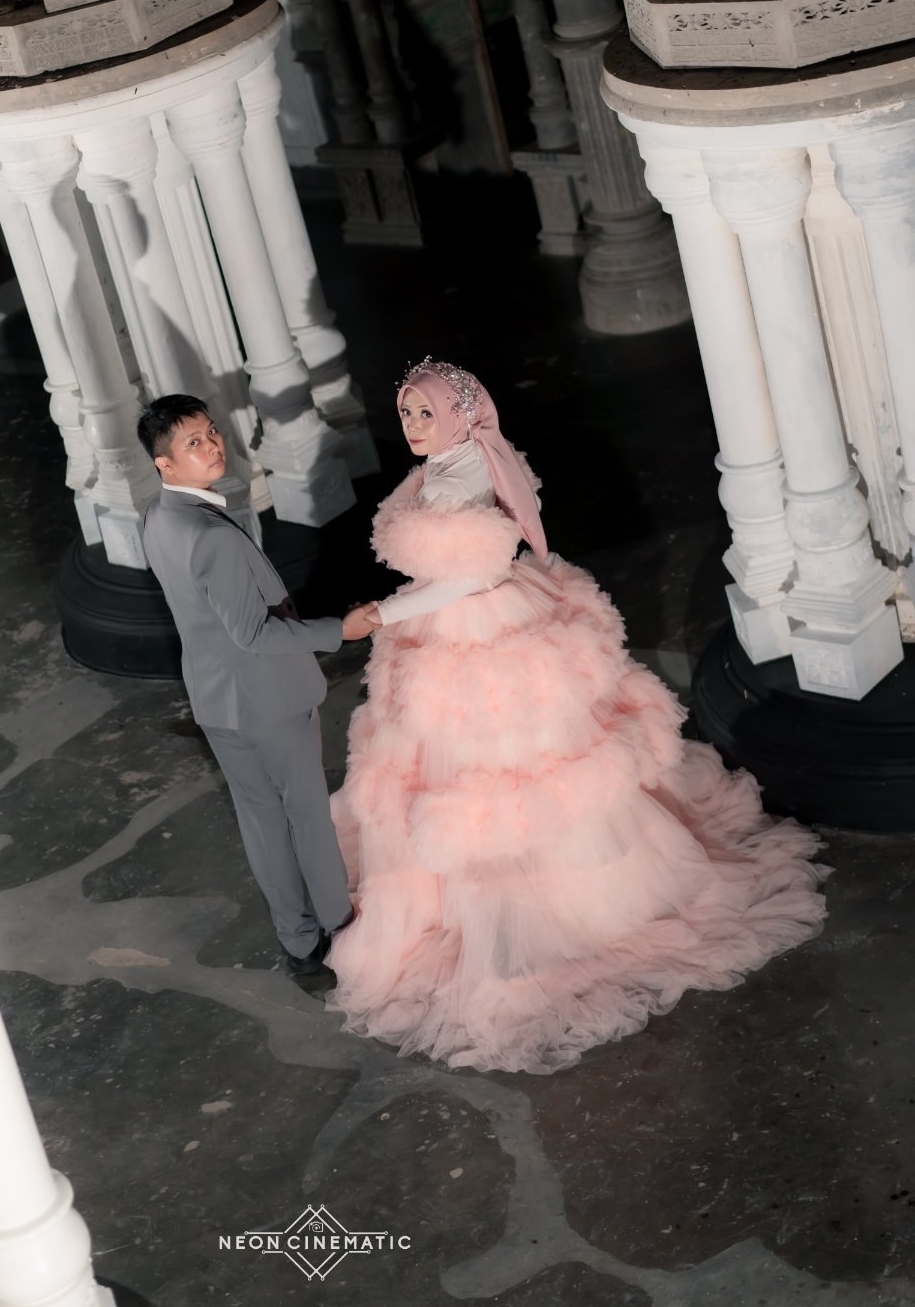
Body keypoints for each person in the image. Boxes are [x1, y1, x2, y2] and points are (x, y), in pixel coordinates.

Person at [327, 358, 827, 1073]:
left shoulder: (456, 478)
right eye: (406, 412)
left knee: (495, 767)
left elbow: (470, 574)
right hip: (480, 614)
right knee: (497, 760)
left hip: (471, 623)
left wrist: (385, 611)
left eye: (425, 413)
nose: (411, 425)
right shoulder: (468, 459)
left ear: (459, 415)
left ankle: (531, 907)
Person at [139, 394, 375, 986]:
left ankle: (299, 946)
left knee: (262, 822)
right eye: (194, 442)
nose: (214, 446)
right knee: (307, 817)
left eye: (212, 432)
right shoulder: (211, 535)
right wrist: (339, 631)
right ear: (166, 463)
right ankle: (342, 928)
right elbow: (253, 633)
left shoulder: (158, 516)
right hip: (269, 698)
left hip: (216, 700)